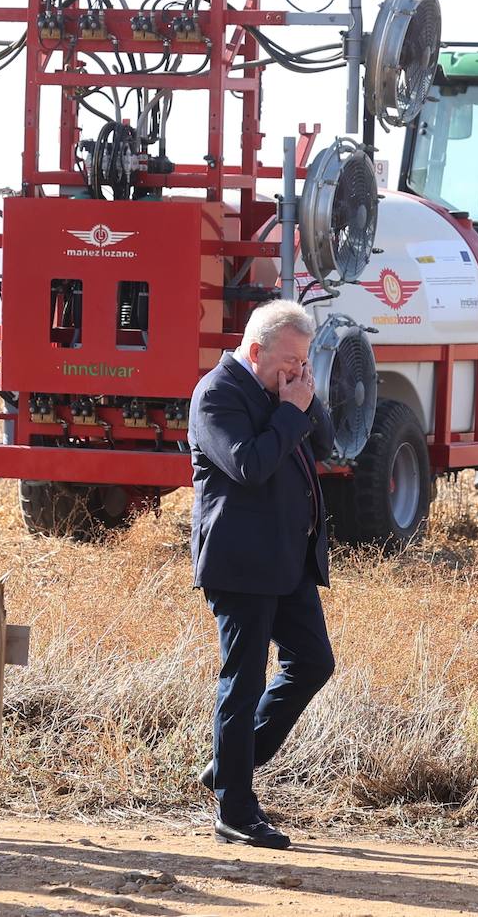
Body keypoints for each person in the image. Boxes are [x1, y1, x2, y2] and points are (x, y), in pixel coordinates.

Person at [188, 300, 337, 850]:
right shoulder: (218, 394)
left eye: (304, 364)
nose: (298, 373)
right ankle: (235, 810)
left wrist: (303, 400)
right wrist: (291, 410)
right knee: (244, 682)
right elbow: (249, 464)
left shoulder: (282, 394)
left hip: (287, 562)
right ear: (256, 352)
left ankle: (232, 764)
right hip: (242, 563)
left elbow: (322, 445)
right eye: (289, 363)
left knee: (314, 662)